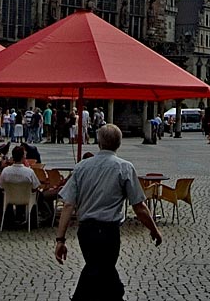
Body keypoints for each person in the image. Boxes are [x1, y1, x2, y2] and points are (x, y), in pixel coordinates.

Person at [54, 124, 161, 301]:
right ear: (119, 144)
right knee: (102, 270)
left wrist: (60, 239)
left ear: (99, 143)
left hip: (86, 231)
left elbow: (68, 205)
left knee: (99, 270)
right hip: (109, 232)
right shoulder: (124, 168)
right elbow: (139, 206)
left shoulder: (81, 168)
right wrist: (154, 229)